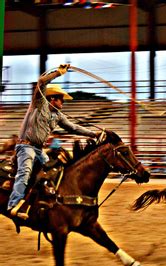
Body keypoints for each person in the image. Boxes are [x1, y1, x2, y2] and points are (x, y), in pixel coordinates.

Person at [7, 64, 99, 220]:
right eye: (61, 98)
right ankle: (13, 205)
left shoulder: (58, 115)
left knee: (54, 169)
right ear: (52, 98)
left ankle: (44, 200)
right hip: (26, 146)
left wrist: (93, 134)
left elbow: (73, 127)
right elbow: (41, 82)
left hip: (38, 149)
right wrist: (58, 72)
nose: (63, 102)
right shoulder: (39, 104)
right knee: (25, 172)